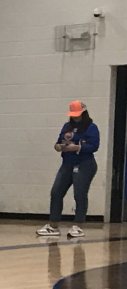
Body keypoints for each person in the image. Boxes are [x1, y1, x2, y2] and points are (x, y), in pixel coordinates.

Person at [38, 101, 99, 238]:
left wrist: (77, 147)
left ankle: (78, 226)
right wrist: (59, 146)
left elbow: (94, 146)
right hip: (67, 163)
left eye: (77, 115)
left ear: (83, 113)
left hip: (84, 164)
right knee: (56, 191)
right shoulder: (67, 127)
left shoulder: (91, 127)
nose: (75, 117)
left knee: (79, 194)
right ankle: (53, 226)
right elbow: (59, 141)